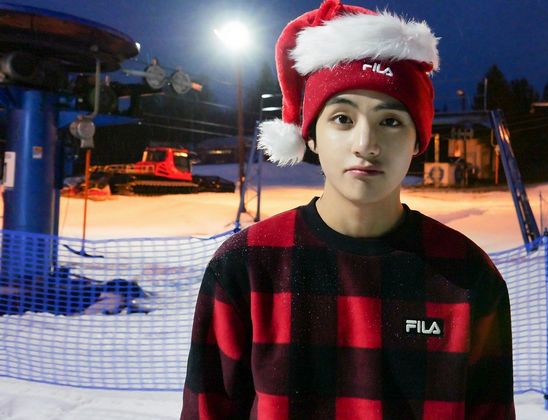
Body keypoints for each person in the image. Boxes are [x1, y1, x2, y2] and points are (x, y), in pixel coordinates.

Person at [181, 1, 514, 418]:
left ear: (417, 140)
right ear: (311, 135)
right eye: (342, 118)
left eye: (390, 121)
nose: (365, 144)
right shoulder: (246, 266)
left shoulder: (467, 276)